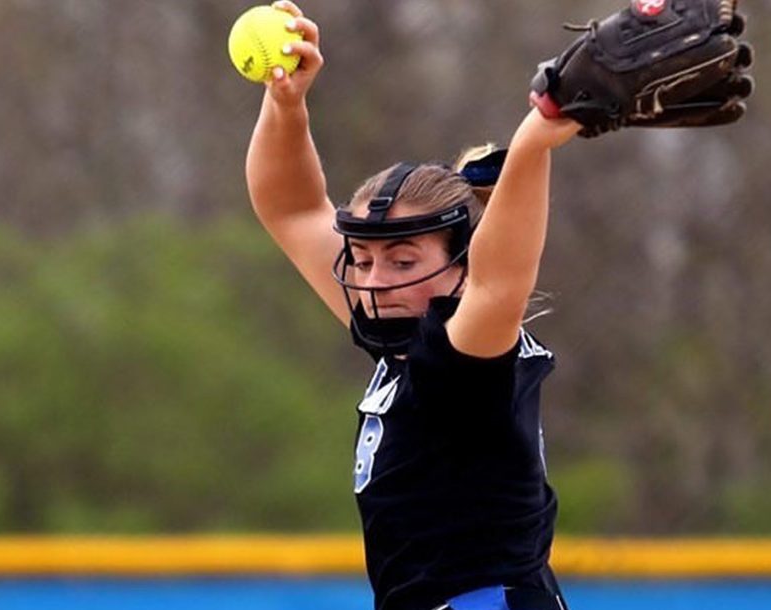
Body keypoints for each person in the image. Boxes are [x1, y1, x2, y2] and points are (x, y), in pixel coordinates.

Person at [244, 3, 579, 609]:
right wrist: (285, 105)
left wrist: (536, 137)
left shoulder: (464, 352)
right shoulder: (401, 336)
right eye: (365, 259)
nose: (375, 280)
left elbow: (502, 284)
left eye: (403, 260)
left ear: (462, 264)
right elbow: (290, 209)